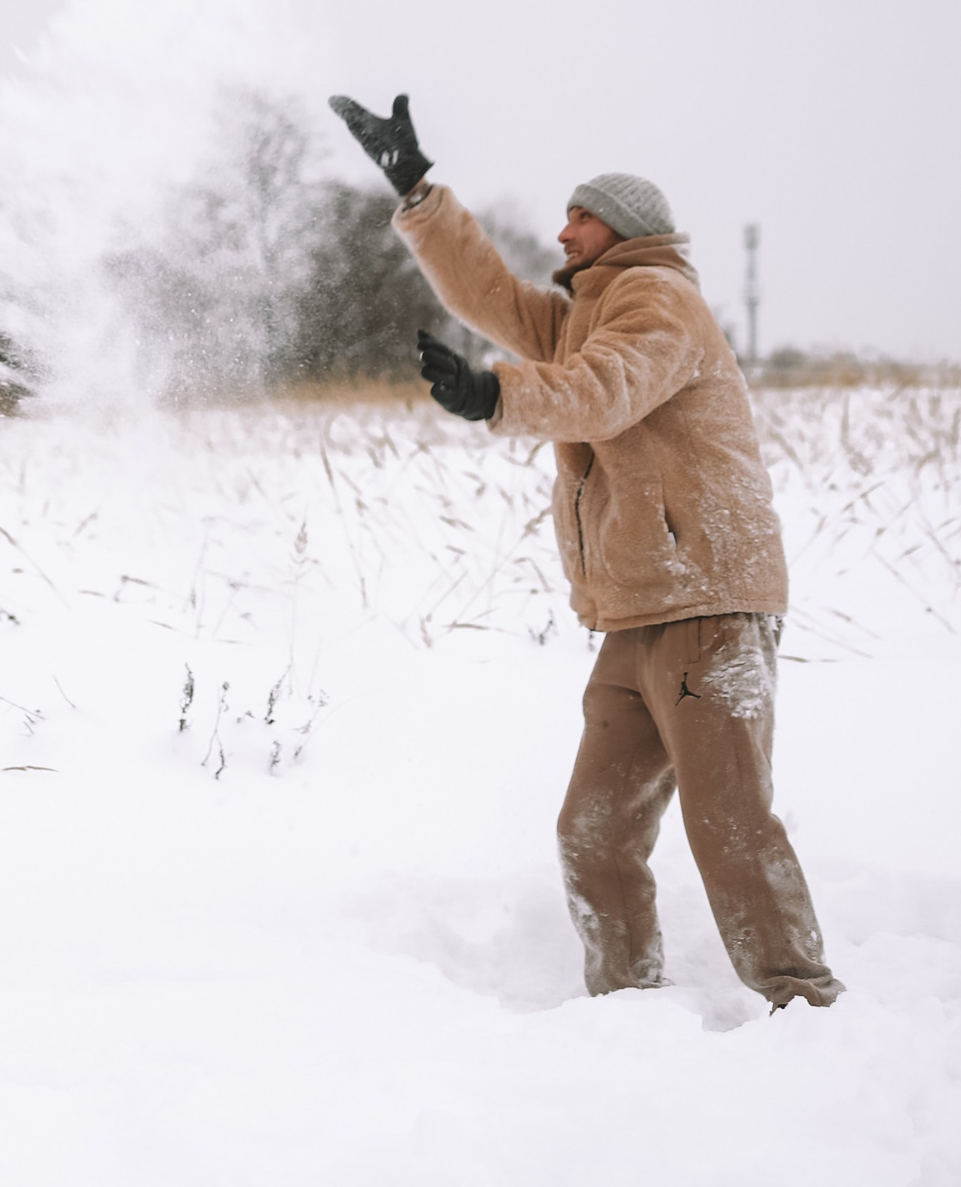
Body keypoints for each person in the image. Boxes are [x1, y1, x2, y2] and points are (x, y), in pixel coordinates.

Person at [329, 93, 842, 1010]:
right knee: (593, 832)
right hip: (639, 610)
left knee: (728, 822)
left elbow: (603, 392)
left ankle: (802, 1001)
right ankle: (626, 1007)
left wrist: (496, 398)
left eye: (580, 216)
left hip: (707, 601)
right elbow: (488, 294)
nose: (562, 232)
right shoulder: (587, 311)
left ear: (626, 228)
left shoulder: (660, 303)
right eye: (564, 215)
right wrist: (417, 189)